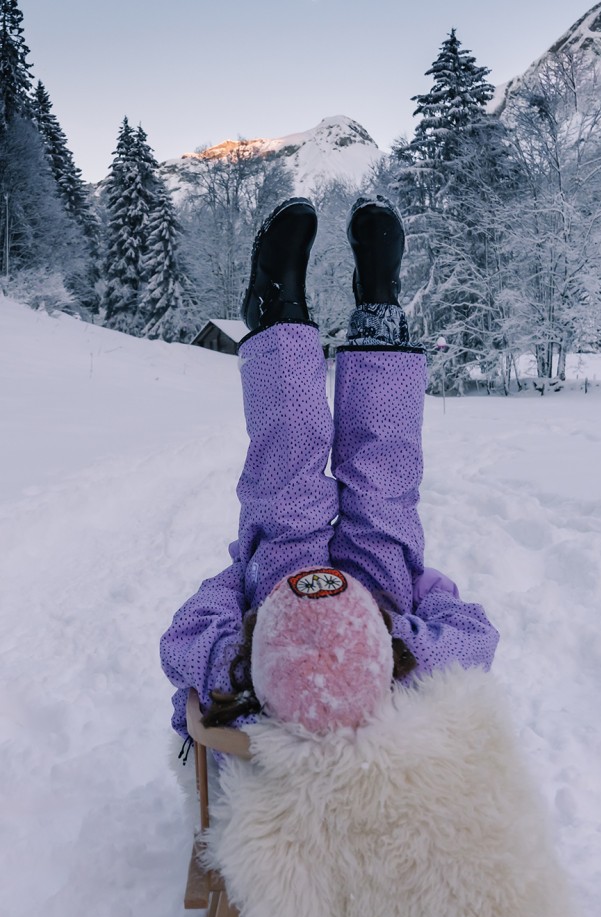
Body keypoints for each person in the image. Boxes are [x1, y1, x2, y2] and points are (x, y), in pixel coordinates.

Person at [160, 195, 499, 742]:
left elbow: (186, 638)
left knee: (286, 484)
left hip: (278, 601)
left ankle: (276, 311)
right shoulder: (396, 727)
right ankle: (379, 311)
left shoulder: (249, 714)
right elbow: (474, 637)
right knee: (382, 494)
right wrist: (395, 633)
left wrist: (250, 636)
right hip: (382, 618)